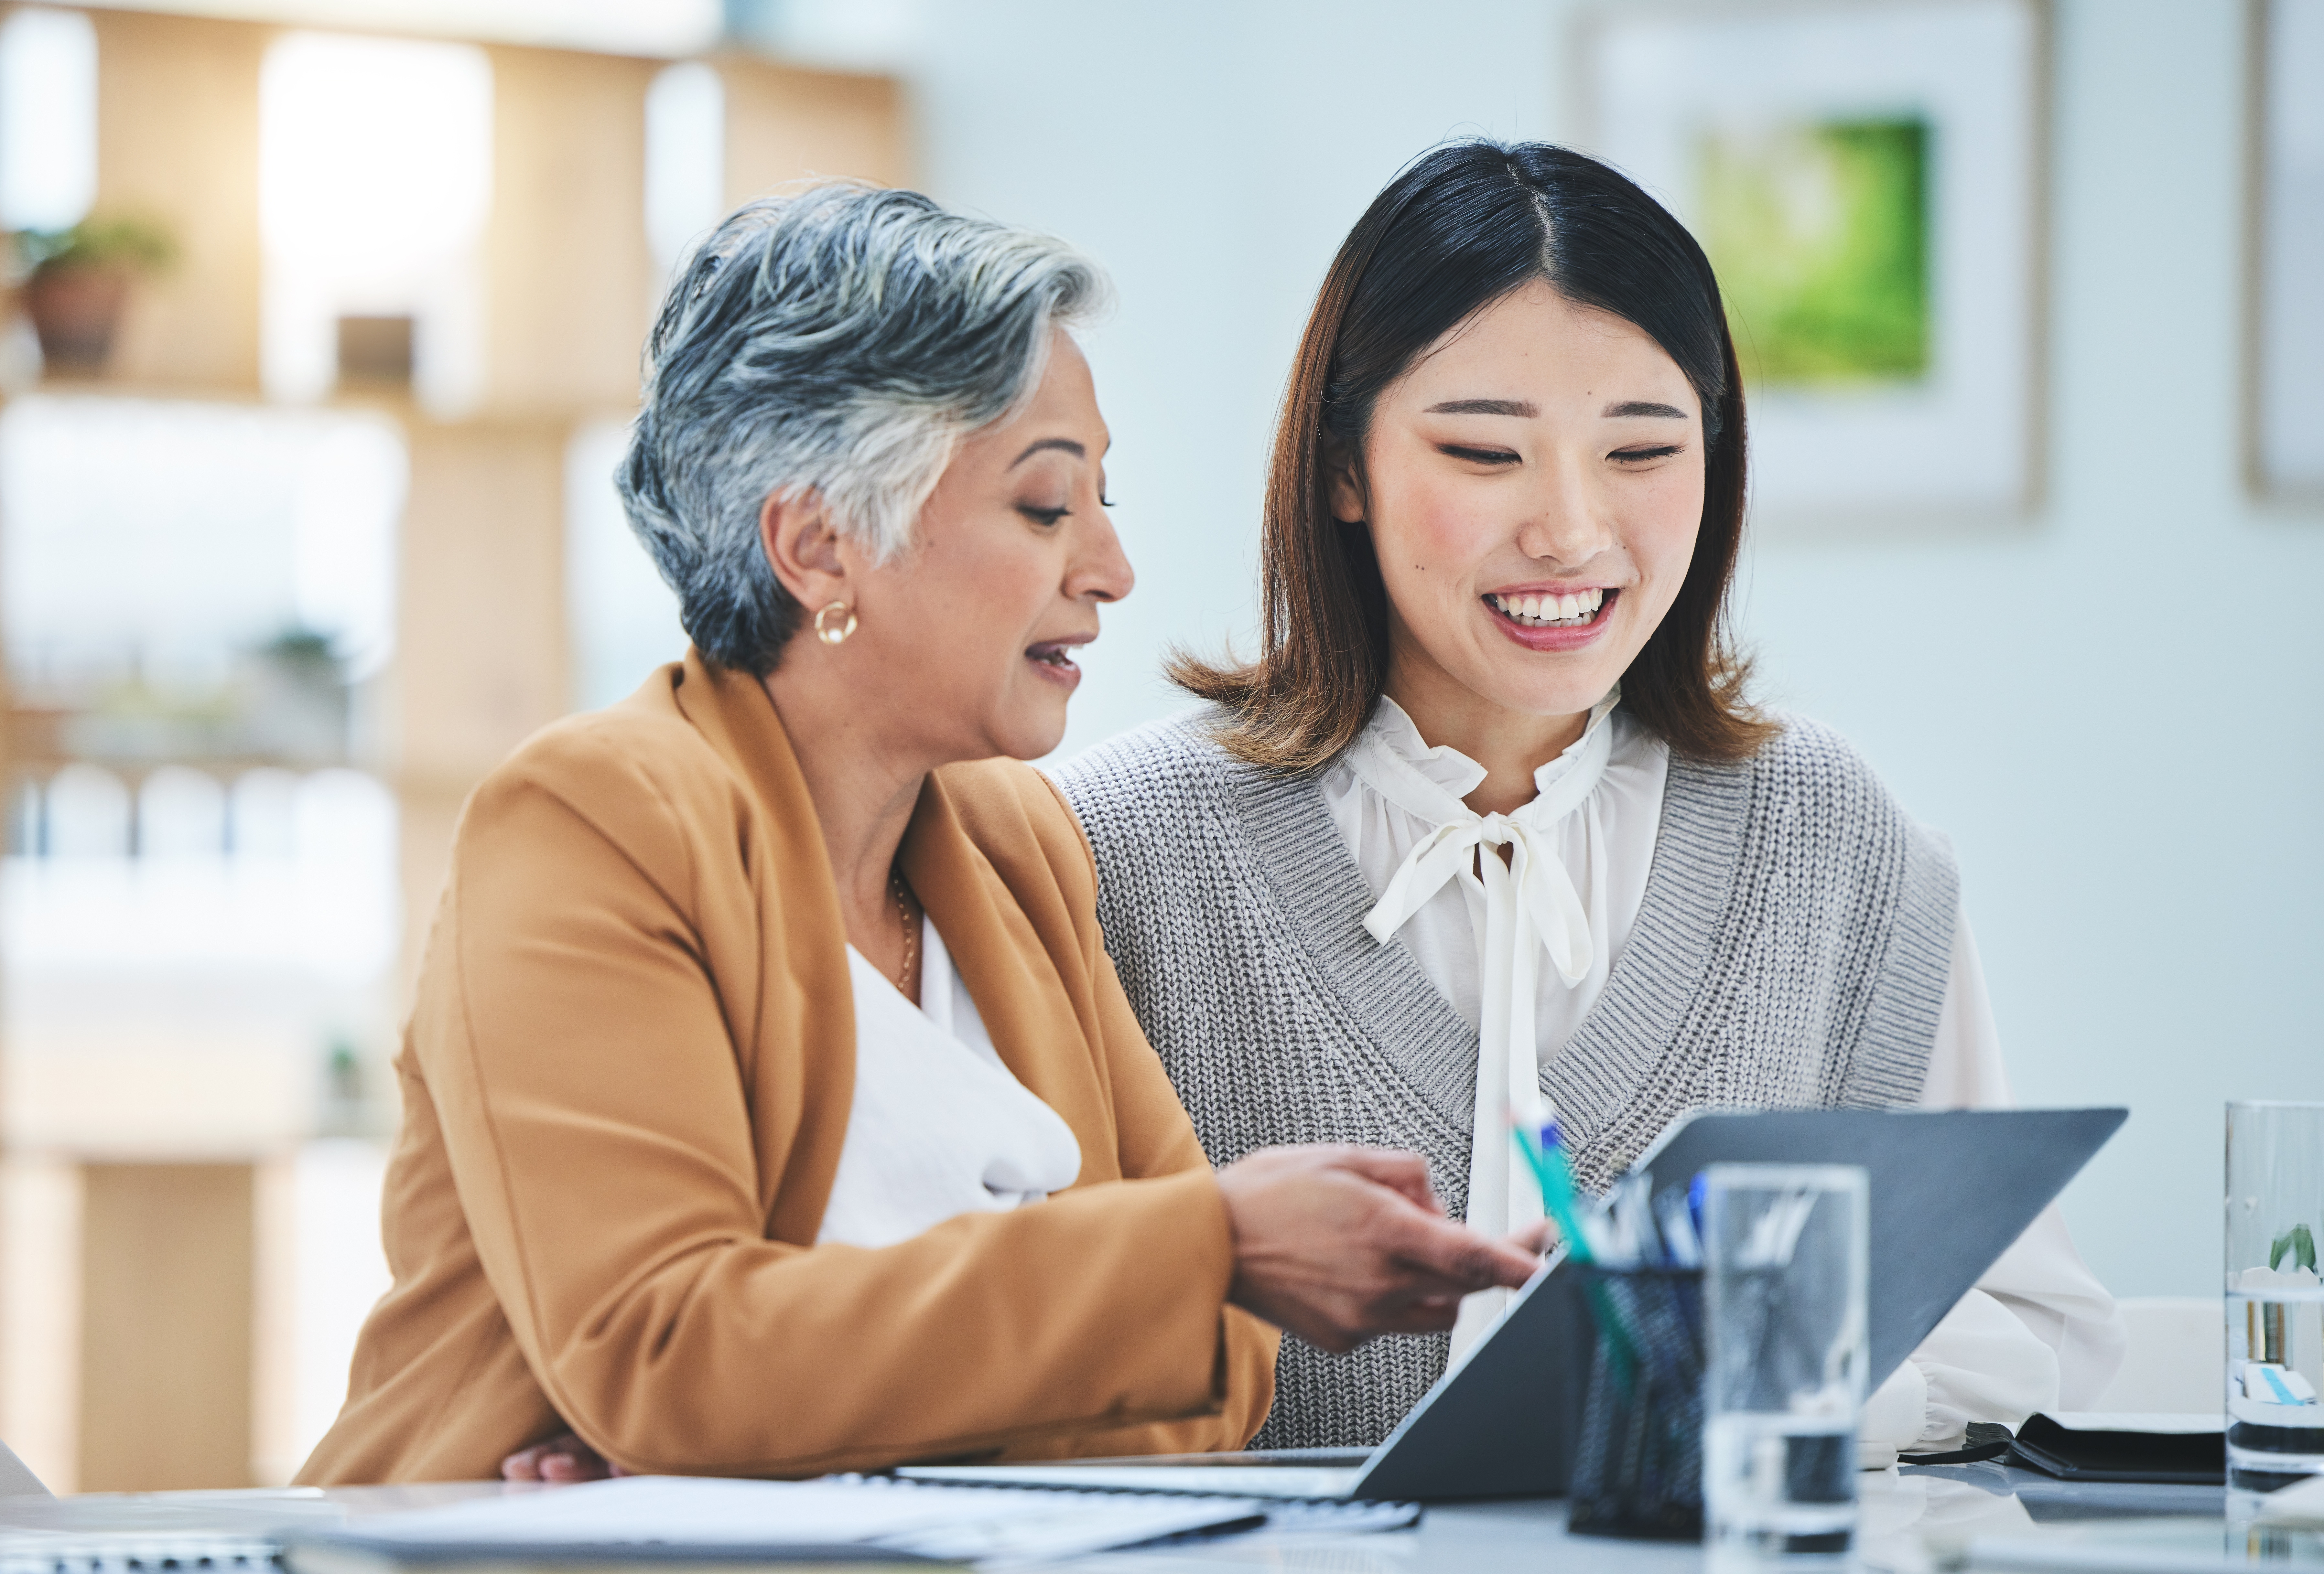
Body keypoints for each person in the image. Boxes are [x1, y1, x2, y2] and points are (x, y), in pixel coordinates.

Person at [294, 183, 1541, 1486]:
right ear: (821, 548)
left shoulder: (1013, 846)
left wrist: (802, 1427)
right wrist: (1193, 1256)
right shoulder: (590, 825)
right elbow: (668, 1357)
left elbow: (1218, 1378)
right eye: (1049, 506)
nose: (1111, 566)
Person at [1053, 141, 2125, 1459]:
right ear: (1345, 470)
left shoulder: (1836, 841)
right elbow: (1020, 1325)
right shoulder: (1110, 848)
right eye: (1484, 452)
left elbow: (2030, 1328)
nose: (1570, 531)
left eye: (1642, 450)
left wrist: (1743, 1371)